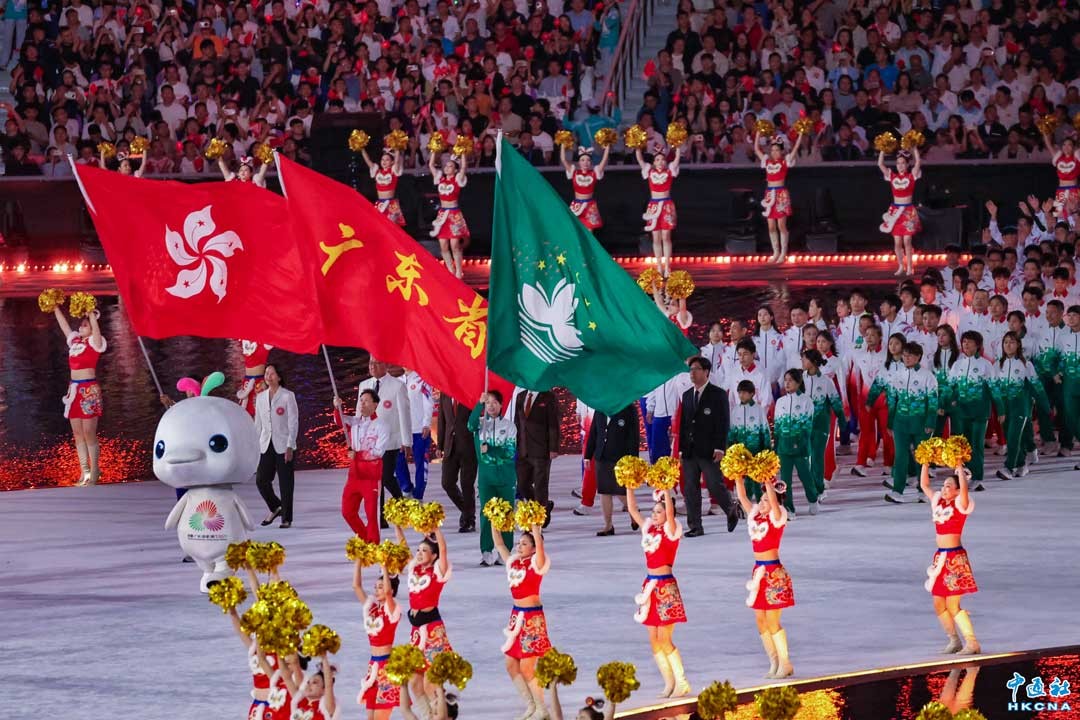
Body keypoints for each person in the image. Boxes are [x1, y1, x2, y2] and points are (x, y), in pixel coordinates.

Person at [625, 486, 691, 698]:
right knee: (653, 639)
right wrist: (628, 486)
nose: (654, 515)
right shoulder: (648, 530)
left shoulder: (671, 530)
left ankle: (681, 682)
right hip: (650, 586)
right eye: (653, 512)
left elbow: (670, 513)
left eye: (658, 512)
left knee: (664, 638)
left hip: (665, 588)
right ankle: (669, 682)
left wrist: (667, 492)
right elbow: (632, 509)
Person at [734, 470, 794, 678]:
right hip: (758, 572)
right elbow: (742, 497)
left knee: (772, 620)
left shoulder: (777, 517)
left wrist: (768, 481)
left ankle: (785, 663)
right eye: (761, 499)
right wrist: (737, 476)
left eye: (766, 500)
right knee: (760, 620)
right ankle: (774, 661)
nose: (761, 502)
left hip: (773, 573)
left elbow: (775, 504)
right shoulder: (755, 516)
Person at [918, 461, 980, 655]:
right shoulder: (938, 502)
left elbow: (964, 490)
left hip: (955, 559)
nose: (944, 489)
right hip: (940, 558)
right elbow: (924, 485)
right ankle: (954, 640)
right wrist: (925, 463)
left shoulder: (961, 505)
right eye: (943, 485)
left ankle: (972, 643)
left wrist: (959, 468)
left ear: (957, 490)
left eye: (948, 486)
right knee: (938, 603)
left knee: (953, 605)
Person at [491, 520, 551, 720]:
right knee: (511, 664)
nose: (519, 546)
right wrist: (493, 522)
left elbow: (540, 546)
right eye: (519, 543)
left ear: (534, 548)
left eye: (524, 544)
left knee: (526, 667)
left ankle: (542, 708)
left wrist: (535, 527)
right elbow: (499, 544)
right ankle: (530, 705)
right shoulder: (514, 563)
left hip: (532, 619)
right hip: (516, 617)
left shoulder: (537, 563)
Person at [870, 342, 939, 503]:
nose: (906, 358)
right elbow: (892, 400)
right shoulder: (897, 375)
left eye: (910, 356)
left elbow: (933, 401)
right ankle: (897, 491)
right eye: (905, 355)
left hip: (920, 423)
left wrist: (931, 422)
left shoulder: (927, 376)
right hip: (900, 423)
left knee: (921, 457)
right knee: (900, 456)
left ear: (918, 357)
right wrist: (890, 422)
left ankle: (923, 490)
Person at [397, 524, 453, 718]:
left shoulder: (437, 573)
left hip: (432, 631)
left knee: (431, 682)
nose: (419, 553)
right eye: (418, 550)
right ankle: (429, 715)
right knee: (414, 681)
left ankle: (440, 715)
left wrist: (436, 529)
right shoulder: (415, 569)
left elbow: (443, 549)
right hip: (416, 632)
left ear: (434, 555)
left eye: (424, 551)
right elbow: (403, 547)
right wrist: (397, 525)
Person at [678, 355, 738, 535]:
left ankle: (730, 509)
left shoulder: (718, 394)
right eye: (690, 370)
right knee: (690, 489)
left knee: (714, 484)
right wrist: (681, 449)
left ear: (706, 372)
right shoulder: (687, 395)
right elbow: (684, 424)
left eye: (696, 369)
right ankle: (695, 526)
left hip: (709, 449)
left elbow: (723, 423)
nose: (692, 373)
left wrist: (720, 448)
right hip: (690, 450)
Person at [54, 305, 105, 486]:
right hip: (73, 390)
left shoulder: (95, 343)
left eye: (85, 325)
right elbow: (64, 326)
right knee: (77, 433)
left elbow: (95, 329)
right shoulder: (75, 342)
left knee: (89, 432)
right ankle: (85, 471)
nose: (81, 327)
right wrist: (55, 307)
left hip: (88, 391)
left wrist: (90, 313)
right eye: (81, 325)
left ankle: (95, 470)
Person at [359, 358, 411, 526]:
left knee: (386, 477)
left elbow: (404, 414)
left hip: (390, 441)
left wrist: (407, 441)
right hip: (370, 442)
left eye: (376, 363)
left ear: (386, 365)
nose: (372, 366)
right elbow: (359, 413)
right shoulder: (364, 385)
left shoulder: (397, 386)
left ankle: (401, 505)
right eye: (370, 363)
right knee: (375, 480)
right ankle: (380, 518)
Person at [334, 389, 389, 542]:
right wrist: (337, 407)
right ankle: (366, 540)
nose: (362, 404)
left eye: (366, 401)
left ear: (375, 404)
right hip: (354, 475)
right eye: (361, 400)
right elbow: (340, 420)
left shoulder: (382, 425)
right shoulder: (355, 422)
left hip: (371, 476)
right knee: (347, 511)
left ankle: (374, 545)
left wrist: (358, 455)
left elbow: (378, 452)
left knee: (372, 515)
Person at [469, 390, 517, 566]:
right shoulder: (480, 424)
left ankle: (505, 550)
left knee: (506, 513)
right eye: (488, 402)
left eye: (494, 402)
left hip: (506, 476)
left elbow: (510, 452)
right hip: (486, 476)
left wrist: (491, 450)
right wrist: (478, 405)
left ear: (501, 405)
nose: (491, 406)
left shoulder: (510, 426)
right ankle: (486, 550)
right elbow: (470, 424)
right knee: (486, 513)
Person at [995, 331, 1050, 481]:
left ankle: (1008, 468)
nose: (1008, 345)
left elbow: (1037, 386)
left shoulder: (1026, 364)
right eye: (1006, 342)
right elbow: (994, 388)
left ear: (1018, 345)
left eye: (1012, 342)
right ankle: (1021, 465)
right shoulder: (998, 364)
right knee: (1010, 437)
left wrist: (1046, 406)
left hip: (1021, 407)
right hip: (1004, 409)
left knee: (1013, 437)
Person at [945, 331, 997, 492]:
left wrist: (1001, 410)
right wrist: (946, 403)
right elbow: (950, 387)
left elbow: (994, 389)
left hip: (980, 412)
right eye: (964, 342)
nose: (966, 344)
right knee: (963, 445)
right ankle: (965, 476)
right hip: (962, 412)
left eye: (970, 342)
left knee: (977, 444)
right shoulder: (957, 365)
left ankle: (978, 478)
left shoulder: (986, 365)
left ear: (978, 345)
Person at [353, 556, 402, 719]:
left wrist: (385, 566)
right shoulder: (372, 608)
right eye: (376, 587)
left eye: (380, 587)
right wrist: (358, 559)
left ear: (391, 590)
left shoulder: (393, 610)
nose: (377, 590)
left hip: (386, 668)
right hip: (373, 666)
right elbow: (356, 586)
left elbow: (387, 593)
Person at [584, 402, 640, 535]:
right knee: (604, 491)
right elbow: (594, 432)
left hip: (621, 457)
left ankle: (634, 514)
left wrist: (633, 460)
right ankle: (608, 525)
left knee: (621, 492)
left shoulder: (628, 408)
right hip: (602, 455)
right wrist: (588, 455)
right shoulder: (600, 407)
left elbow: (634, 437)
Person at [253, 364, 298, 528]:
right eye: (266, 373)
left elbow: (293, 422)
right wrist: (254, 445)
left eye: (272, 374)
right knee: (261, 480)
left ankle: (286, 518)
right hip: (266, 444)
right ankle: (276, 506)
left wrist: (290, 445)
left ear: (279, 377)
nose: (268, 376)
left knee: (286, 483)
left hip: (284, 444)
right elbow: (258, 424)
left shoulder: (287, 396)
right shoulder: (260, 398)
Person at [801, 350, 845, 502]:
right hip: (805, 426)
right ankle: (812, 487)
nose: (802, 362)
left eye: (805, 359)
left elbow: (835, 401)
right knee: (808, 458)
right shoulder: (800, 379)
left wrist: (842, 420)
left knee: (817, 457)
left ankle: (819, 489)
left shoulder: (826, 381)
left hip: (821, 425)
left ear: (813, 362)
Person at [753, 132, 803, 264]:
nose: (774, 152)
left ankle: (783, 253)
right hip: (769, 194)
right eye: (772, 150)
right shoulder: (767, 161)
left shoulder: (785, 161)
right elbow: (756, 149)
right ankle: (775, 252)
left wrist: (800, 134)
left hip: (781, 194)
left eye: (777, 150)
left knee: (781, 225)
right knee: (771, 226)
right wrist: (758, 133)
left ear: (781, 151)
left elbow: (795, 149)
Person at [773, 369, 816, 516]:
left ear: (798, 382)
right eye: (785, 380)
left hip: (801, 448)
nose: (787, 383)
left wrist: (801, 443)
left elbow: (807, 426)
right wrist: (776, 446)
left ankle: (813, 500)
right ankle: (789, 508)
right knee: (785, 481)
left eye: (790, 380)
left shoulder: (806, 401)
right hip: (784, 448)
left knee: (805, 476)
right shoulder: (780, 402)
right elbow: (777, 426)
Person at [514, 389, 560, 527]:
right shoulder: (521, 396)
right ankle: (543, 507)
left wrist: (553, 448)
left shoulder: (548, 396)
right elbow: (518, 423)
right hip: (523, 449)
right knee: (522, 485)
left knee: (540, 485)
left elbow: (553, 424)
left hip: (542, 449)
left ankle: (540, 519)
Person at [635, 145, 682, 276]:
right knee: (656, 238)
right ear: (653, 162)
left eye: (662, 159)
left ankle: (667, 266)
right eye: (657, 160)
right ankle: (659, 266)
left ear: (666, 161)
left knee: (666, 236)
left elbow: (677, 159)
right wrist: (637, 146)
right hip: (653, 206)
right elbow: (640, 159)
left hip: (666, 206)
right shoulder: (649, 172)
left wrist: (677, 146)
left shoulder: (670, 171)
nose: (660, 162)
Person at [878, 146, 922, 277]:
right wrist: (882, 149)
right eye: (898, 163)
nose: (900, 165)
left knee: (907, 240)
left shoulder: (911, 176)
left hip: (908, 212)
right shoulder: (892, 176)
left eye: (903, 163)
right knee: (897, 242)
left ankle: (910, 266)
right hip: (895, 212)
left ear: (907, 164)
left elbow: (918, 162)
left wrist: (914, 148)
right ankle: (900, 266)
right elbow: (880, 164)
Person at [256, 649, 336, 720]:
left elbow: (329, 685)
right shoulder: (300, 702)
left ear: (324, 690)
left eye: (315, 682)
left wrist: (324, 658)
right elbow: (286, 677)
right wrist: (280, 647)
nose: (309, 685)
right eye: (308, 682)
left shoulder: (325, 707)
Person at [437, 393, 478, 532]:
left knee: (467, 484)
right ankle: (467, 511)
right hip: (450, 446)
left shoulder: (469, 392)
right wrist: (440, 445)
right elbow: (442, 420)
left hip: (469, 446)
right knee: (447, 482)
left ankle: (470, 520)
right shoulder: (445, 394)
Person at [727, 380, 771, 501]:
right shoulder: (735, 410)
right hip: (741, 452)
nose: (741, 395)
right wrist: (730, 449)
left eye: (744, 392)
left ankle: (761, 502)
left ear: (752, 393)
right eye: (739, 392)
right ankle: (746, 504)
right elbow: (732, 432)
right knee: (744, 480)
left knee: (756, 479)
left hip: (756, 451)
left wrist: (767, 450)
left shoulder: (759, 410)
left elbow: (765, 430)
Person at [428, 150, 470, 278]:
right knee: (443, 246)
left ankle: (459, 271)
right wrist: (434, 150)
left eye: (450, 166)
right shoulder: (440, 179)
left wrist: (463, 152)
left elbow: (464, 167)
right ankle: (450, 271)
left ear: (455, 170)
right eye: (446, 165)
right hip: (442, 216)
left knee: (455, 245)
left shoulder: (457, 180)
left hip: (454, 215)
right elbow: (431, 165)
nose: (447, 167)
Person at [396, 369, 434, 499]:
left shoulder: (422, 379)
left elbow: (428, 402)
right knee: (397, 459)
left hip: (419, 430)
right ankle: (406, 488)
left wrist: (426, 423)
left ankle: (418, 496)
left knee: (420, 463)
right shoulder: (398, 381)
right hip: (402, 430)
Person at [560, 143, 610, 232]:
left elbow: (604, 160)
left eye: (588, 160)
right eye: (582, 160)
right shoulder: (574, 172)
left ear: (591, 162)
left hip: (589, 206)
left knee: (589, 231)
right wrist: (563, 145)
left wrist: (607, 148)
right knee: (575, 230)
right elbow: (563, 159)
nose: (585, 163)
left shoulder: (594, 173)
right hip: (576, 205)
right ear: (579, 162)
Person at [362, 147, 406, 226]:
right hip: (380, 204)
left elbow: (397, 160)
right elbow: (368, 160)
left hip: (391, 204)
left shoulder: (393, 171)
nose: (384, 162)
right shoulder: (377, 171)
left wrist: (397, 147)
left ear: (392, 162)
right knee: (379, 227)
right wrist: (361, 148)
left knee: (392, 228)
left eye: (387, 160)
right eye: (382, 159)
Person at [1040, 133, 1078, 212]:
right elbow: (1048, 144)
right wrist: (1044, 130)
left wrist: (1076, 135)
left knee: (1073, 213)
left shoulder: (1077, 157)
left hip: (1073, 190)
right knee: (1060, 214)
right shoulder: (1058, 157)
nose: (1066, 147)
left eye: (1069, 145)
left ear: (1073, 147)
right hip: (1061, 190)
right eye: (1064, 144)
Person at [237, 340, 272, 417]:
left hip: (258, 382)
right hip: (247, 381)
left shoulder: (265, 343)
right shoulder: (244, 340)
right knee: (244, 412)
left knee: (258, 412)